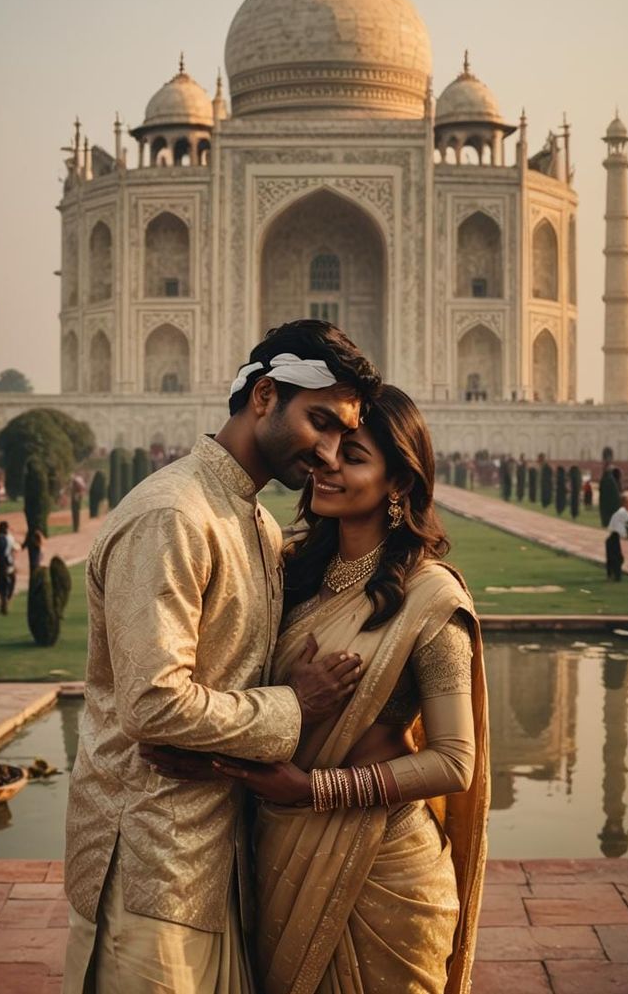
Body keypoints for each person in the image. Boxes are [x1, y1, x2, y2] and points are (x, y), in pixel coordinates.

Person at [61, 320, 380, 992]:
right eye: (319, 421)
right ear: (264, 394)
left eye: (343, 437)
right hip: (150, 865)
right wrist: (295, 704)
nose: (328, 453)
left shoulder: (255, 522)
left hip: (219, 858)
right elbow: (154, 702)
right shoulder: (173, 515)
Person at [173, 385, 491, 994]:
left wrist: (315, 788)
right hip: (277, 844)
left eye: (355, 456)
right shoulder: (287, 572)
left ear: (399, 482)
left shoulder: (431, 600)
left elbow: (455, 761)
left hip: (382, 863)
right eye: (327, 450)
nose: (328, 466)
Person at [605, 491, 628, 581]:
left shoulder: (620, 512)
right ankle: (616, 576)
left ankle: (611, 575)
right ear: (624, 503)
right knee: (618, 558)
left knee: (613, 558)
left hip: (612, 538)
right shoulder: (622, 512)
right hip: (614, 538)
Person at [0, 520, 16, 615]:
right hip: (6, 563)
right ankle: (5, 603)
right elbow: (3, 553)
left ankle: (5, 602)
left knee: (6, 583)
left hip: (5, 563)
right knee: (6, 583)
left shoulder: (4, 538)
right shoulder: (3, 538)